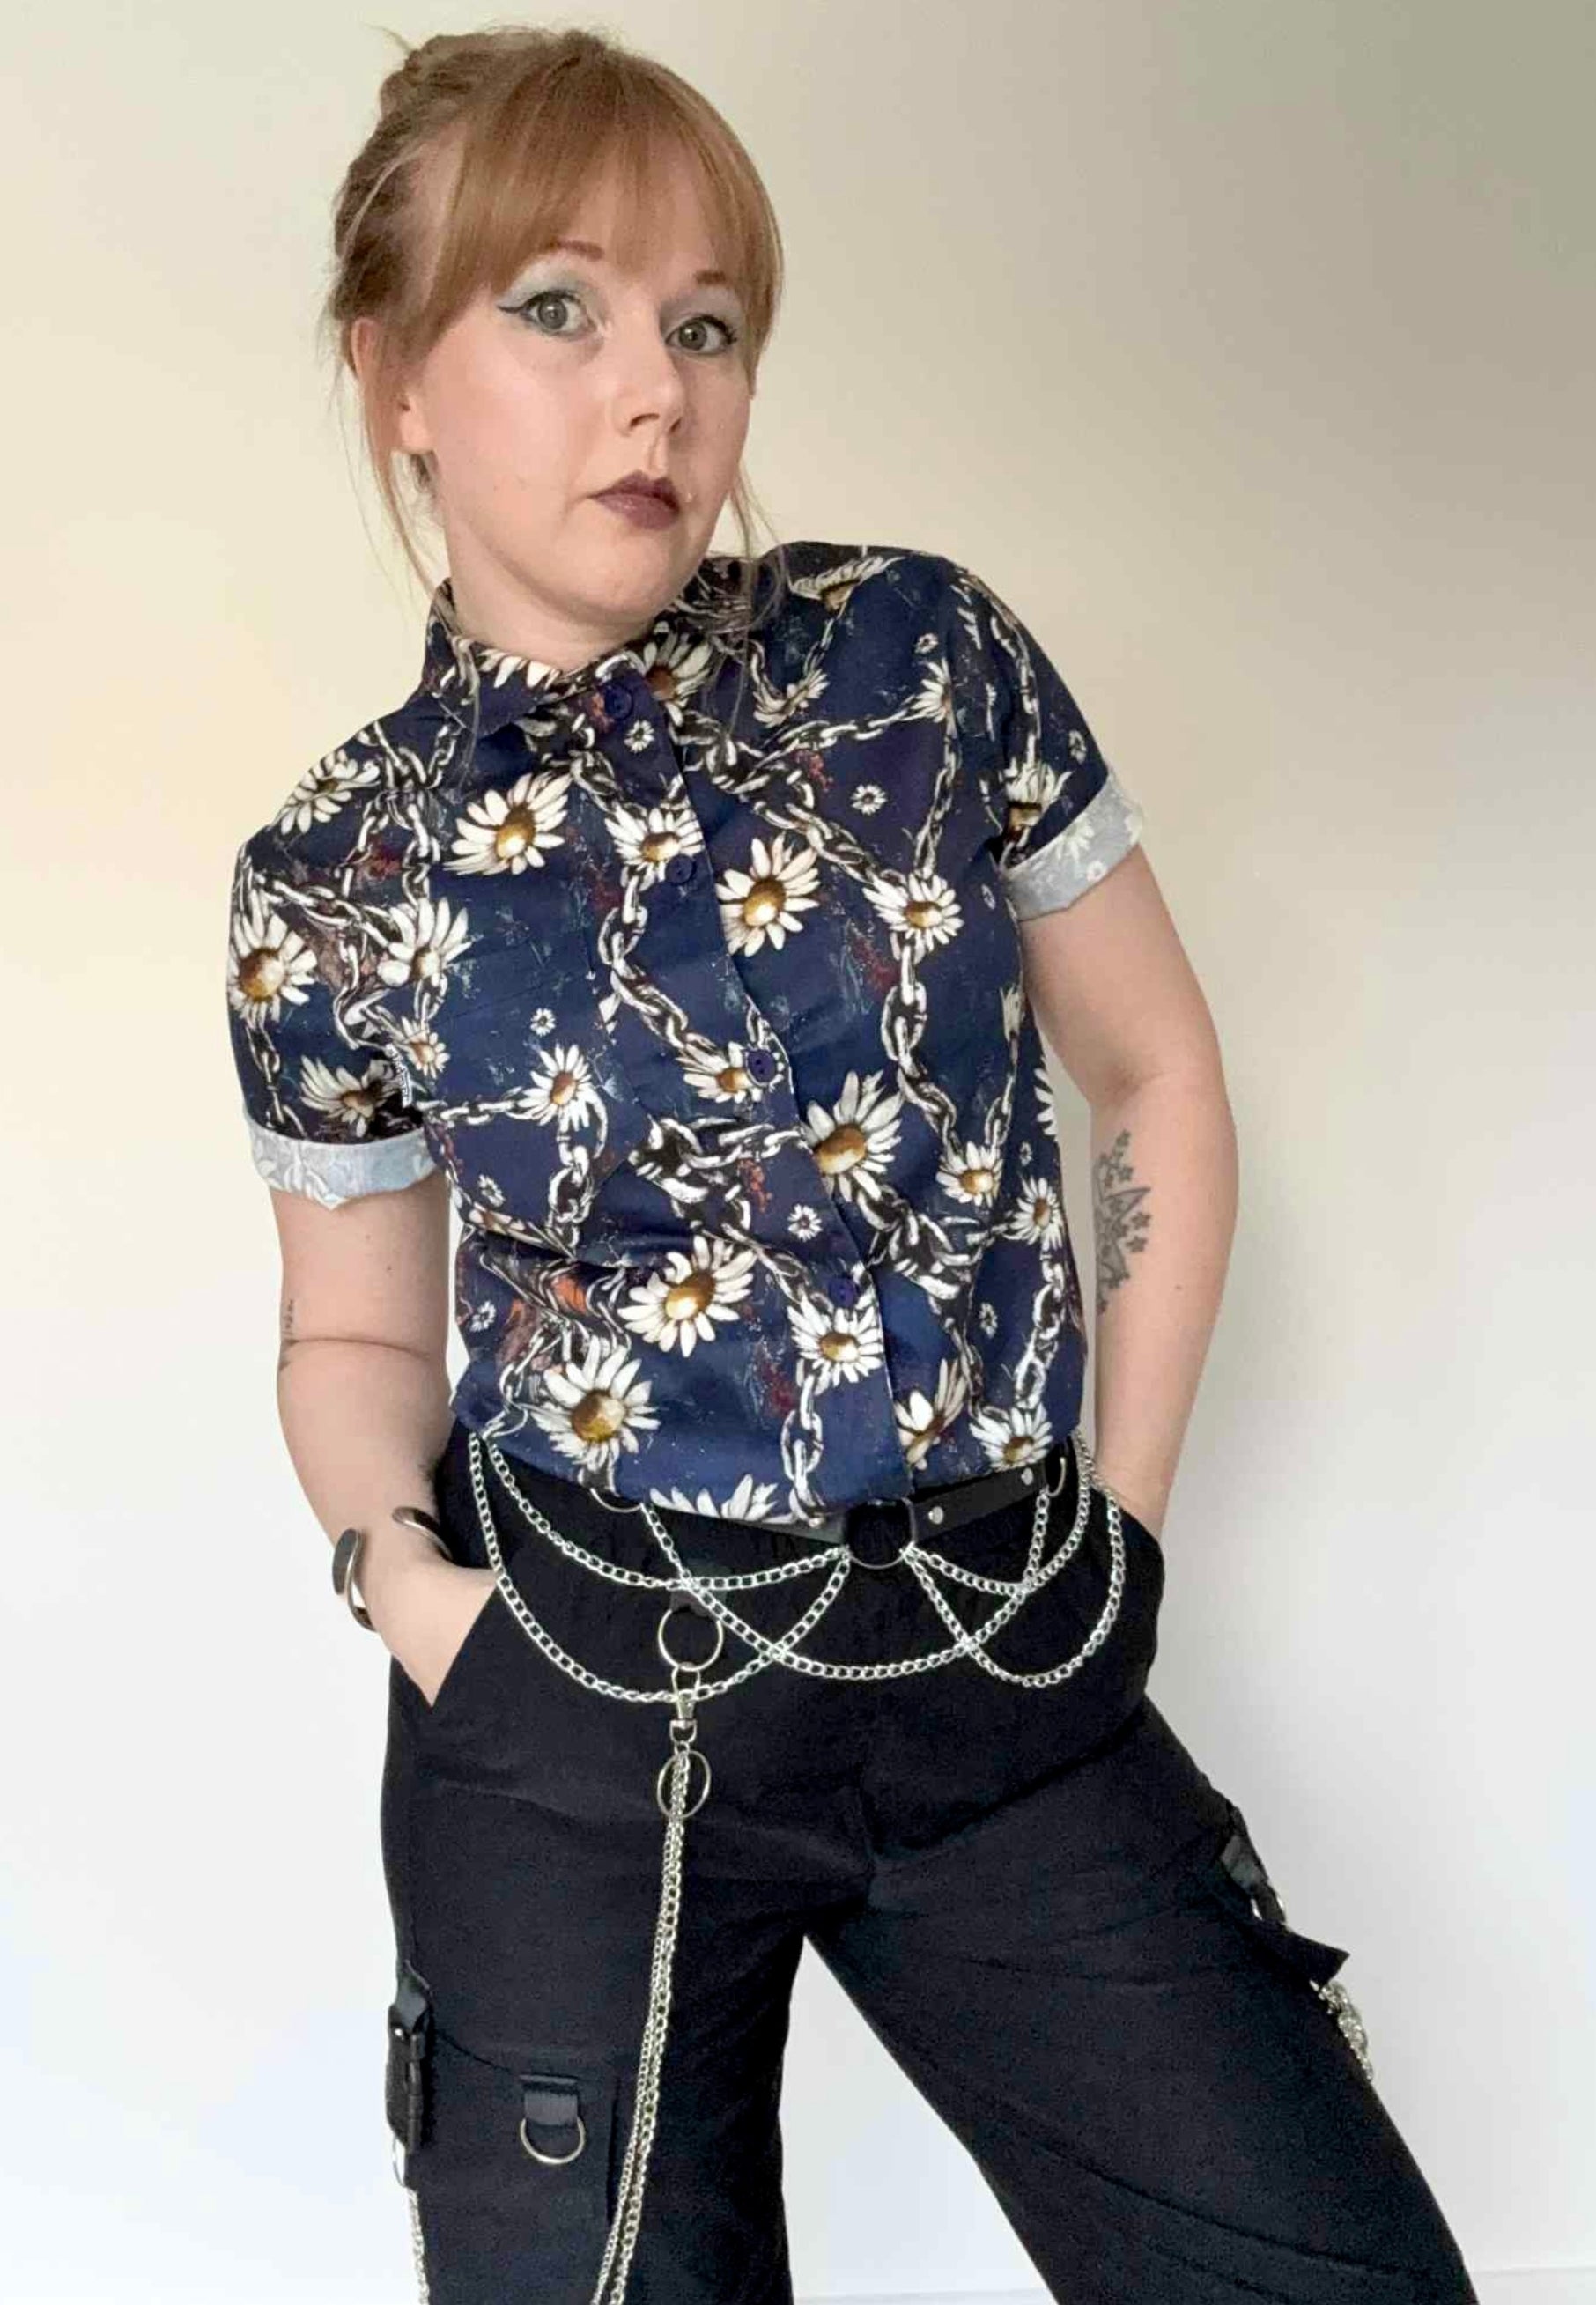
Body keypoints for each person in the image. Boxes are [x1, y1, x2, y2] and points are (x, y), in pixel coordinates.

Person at [223, 25, 1478, 2304]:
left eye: (707, 325)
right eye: (560, 309)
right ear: (394, 376)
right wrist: (426, 1613)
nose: (655, 393)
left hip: (999, 1640)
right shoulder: (336, 874)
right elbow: (352, 1342)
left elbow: (1154, 1075)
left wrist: (1119, 1528)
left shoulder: (921, 659)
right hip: (577, 1696)